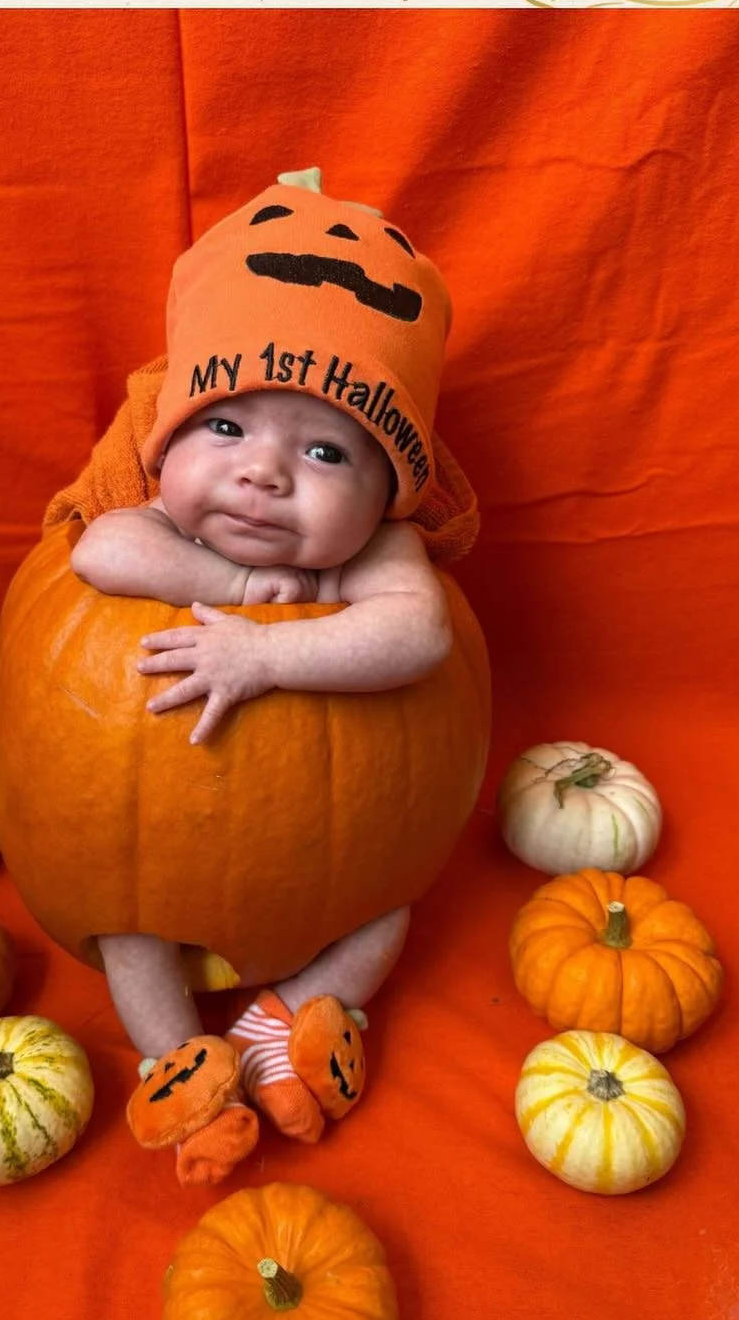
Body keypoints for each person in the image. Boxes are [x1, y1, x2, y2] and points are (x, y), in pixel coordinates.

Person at [60, 168, 478, 1184]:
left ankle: (291, 1014)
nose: (263, 472)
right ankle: (179, 1064)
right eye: (227, 425)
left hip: (336, 862)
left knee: (391, 907)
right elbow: (98, 555)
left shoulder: (378, 553)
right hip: (154, 855)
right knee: (125, 922)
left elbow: (418, 636)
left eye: (328, 449)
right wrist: (240, 580)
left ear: (390, 487)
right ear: (170, 434)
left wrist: (265, 650)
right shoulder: (157, 515)